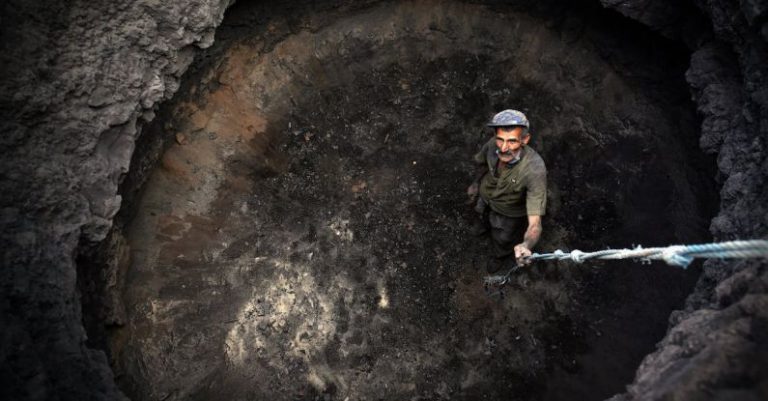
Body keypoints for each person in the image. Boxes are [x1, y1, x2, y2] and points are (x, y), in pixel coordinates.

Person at [467, 109, 547, 273]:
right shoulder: (491, 145)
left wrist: (526, 245)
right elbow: (482, 164)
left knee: (502, 238)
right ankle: (482, 228)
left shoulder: (534, 170)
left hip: (507, 213)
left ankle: (499, 256)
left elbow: (535, 224)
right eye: (500, 139)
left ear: (525, 140)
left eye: (512, 141)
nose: (503, 148)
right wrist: (476, 184)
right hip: (485, 194)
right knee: (479, 214)